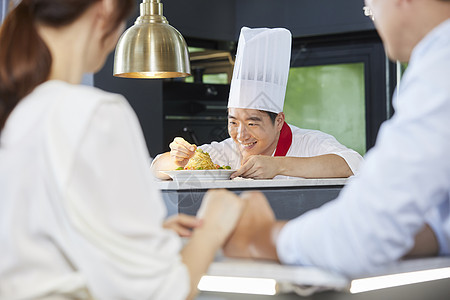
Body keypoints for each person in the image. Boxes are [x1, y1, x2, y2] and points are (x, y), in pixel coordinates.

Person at [0, 1, 244, 299]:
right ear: (104, 10)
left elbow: (47, 240)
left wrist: (134, 239)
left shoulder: (18, 115)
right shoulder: (93, 115)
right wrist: (214, 225)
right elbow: (162, 292)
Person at [223, 0, 450, 278]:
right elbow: (438, 230)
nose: (373, 18)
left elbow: (365, 234)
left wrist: (261, 236)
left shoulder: (441, 66)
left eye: (370, 7)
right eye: (234, 121)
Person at [152, 27, 363, 180]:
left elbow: (353, 164)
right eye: (233, 122)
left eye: (252, 123)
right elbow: (155, 168)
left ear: (278, 120)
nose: (241, 135)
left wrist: (278, 166)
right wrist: (179, 159)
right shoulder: (228, 150)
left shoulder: (309, 143)